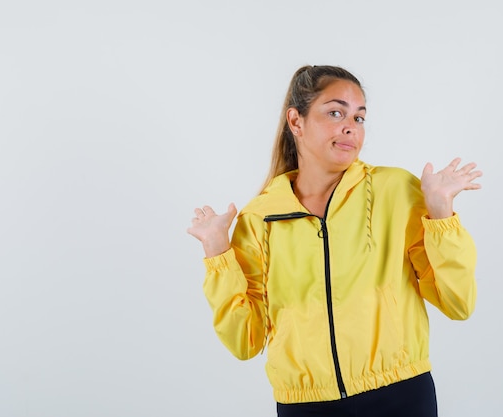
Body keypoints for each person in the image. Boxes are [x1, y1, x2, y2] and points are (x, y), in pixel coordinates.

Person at [187, 65, 482, 417]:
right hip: (305, 406)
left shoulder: (396, 191)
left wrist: (440, 214)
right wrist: (217, 253)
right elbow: (243, 341)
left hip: (400, 395)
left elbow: (458, 302)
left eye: (359, 118)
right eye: (335, 112)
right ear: (296, 122)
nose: (350, 127)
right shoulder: (260, 218)